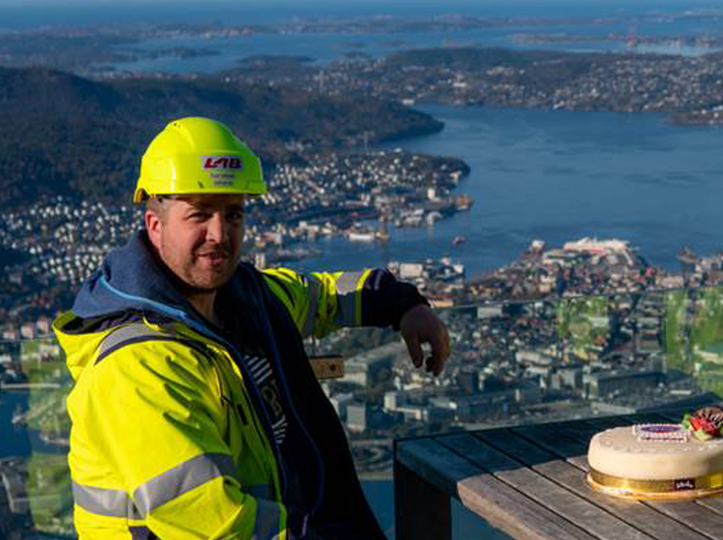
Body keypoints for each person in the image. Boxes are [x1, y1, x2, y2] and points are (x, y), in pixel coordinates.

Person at [54, 117, 451, 539]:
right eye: (199, 215)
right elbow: (218, 525)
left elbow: (320, 297)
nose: (219, 234)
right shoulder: (138, 366)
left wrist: (404, 305)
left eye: (233, 213)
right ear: (155, 225)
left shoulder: (246, 298)